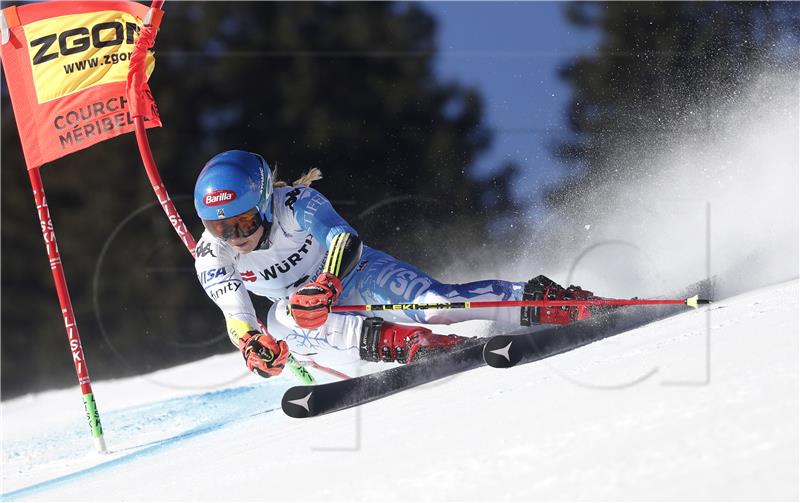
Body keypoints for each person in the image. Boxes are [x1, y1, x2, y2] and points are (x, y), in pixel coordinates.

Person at [193, 150, 595, 378]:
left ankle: (548, 302)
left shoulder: (295, 204)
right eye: (220, 227)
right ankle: (412, 344)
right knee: (282, 317)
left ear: (264, 200)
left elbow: (344, 239)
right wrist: (252, 346)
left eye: (243, 221)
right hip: (317, 334)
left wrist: (329, 281)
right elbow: (235, 309)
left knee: (436, 303)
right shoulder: (212, 253)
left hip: (355, 275)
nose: (235, 236)